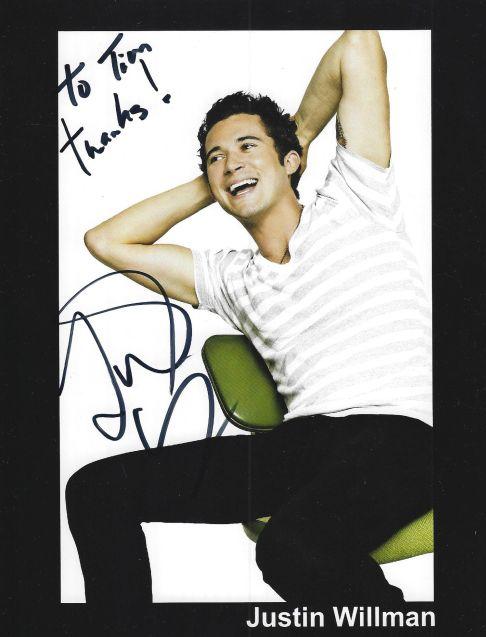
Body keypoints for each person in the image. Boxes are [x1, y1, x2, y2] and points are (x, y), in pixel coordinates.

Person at [67, 30, 432, 607]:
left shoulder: (357, 200)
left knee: (292, 546)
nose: (230, 161)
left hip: (400, 434)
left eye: (246, 146)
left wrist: (297, 134)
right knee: (95, 490)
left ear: (291, 161)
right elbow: (106, 241)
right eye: (216, 157)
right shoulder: (229, 277)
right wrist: (217, 182)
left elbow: (359, 44)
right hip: (304, 443)